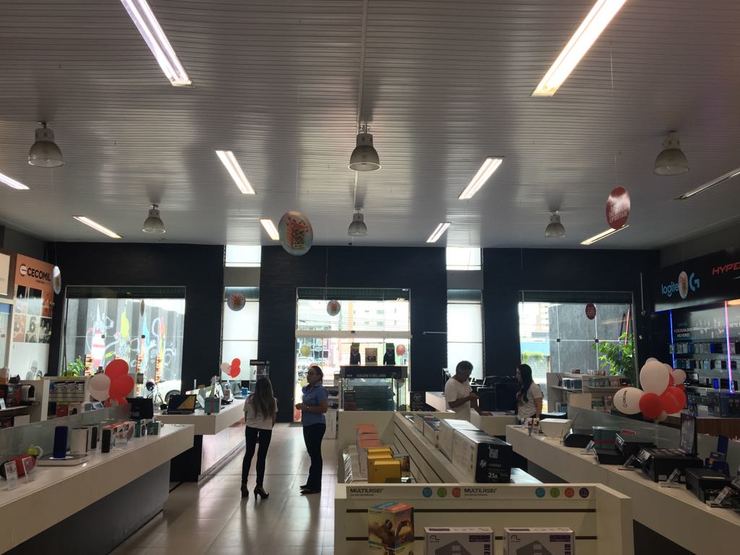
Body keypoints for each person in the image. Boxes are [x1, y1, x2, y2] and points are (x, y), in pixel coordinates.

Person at [241, 376, 277, 499]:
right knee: (261, 457)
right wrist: (267, 426)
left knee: (248, 455)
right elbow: (273, 419)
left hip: (251, 428)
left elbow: (246, 416)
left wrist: (252, 424)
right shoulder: (272, 401)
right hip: (265, 430)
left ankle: (244, 484)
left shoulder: (249, 399)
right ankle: (259, 486)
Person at [295, 364, 328, 494]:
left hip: (316, 425)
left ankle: (315, 485)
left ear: (319, 376)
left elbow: (323, 408)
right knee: (312, 454)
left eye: (311, 373)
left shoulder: (320, 390)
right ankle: (311, 483)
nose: (308, 376)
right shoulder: (308, 389)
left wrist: (306, 408)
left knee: (315, 454)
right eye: (308, 373)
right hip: (307, 424)